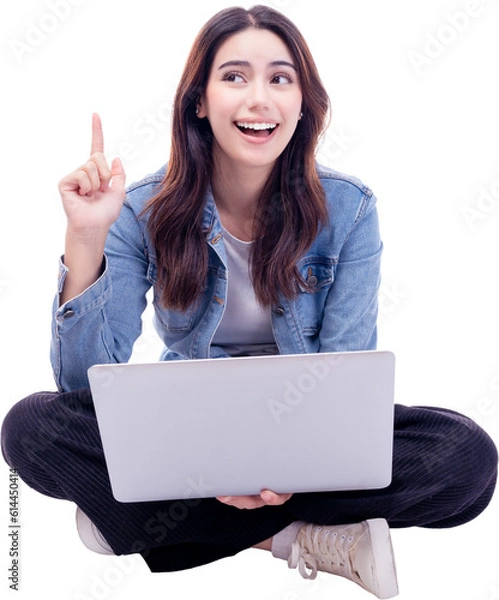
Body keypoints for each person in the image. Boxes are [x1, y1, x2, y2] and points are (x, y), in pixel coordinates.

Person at [1, 5, 497, 599]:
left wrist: (291, 465)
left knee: (465, 459)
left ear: (302, 104)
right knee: (30, 428)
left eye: (280, 78)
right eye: (234, 76)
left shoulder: (350, 209)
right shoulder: (140, 209)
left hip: (308, 427)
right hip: (188, 431)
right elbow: (80, 385)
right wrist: (86, 238)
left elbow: (344, 374)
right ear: (200, 101)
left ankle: (147, 525)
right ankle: (296, 538)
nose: (258, 98)